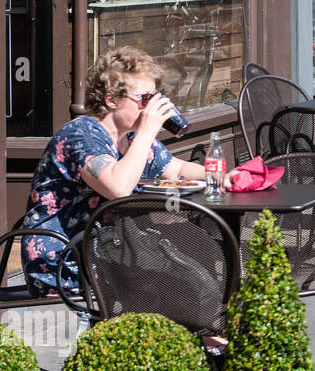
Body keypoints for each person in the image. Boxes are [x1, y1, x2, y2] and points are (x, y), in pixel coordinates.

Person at [20, 47, 205, 296]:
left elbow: (176, 169)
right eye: (145, 99)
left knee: (194, 257)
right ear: (111, 99)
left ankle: (200, 331)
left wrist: (221, 175)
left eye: (155, 97)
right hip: (65, 259)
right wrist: (148, 130)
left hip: (112, 249)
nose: (151, 108)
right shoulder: (81, 134)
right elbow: (118, 188)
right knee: (179, 280)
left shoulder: (133, 136)